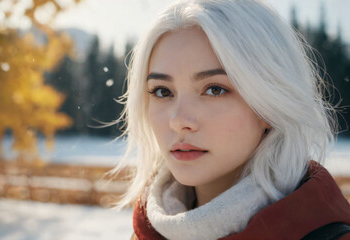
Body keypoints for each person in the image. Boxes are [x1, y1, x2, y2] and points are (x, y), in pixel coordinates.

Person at [110, 0, 350, 239]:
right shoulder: (143, 233)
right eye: (162, 91)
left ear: (269, 103)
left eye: (214, 89)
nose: (178, 120)